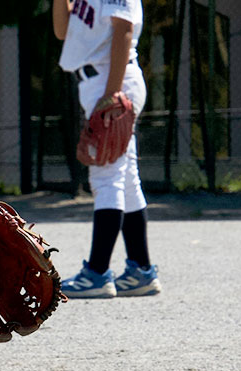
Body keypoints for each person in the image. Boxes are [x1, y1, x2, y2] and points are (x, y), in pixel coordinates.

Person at [53, 0, 162, 298]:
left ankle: (98, 273)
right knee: (125, 178)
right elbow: (63, 32)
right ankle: (141, 270)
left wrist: (111, 94)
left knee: (105, 176)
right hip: (97, 82)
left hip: (113, 82)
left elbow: (124, 31)